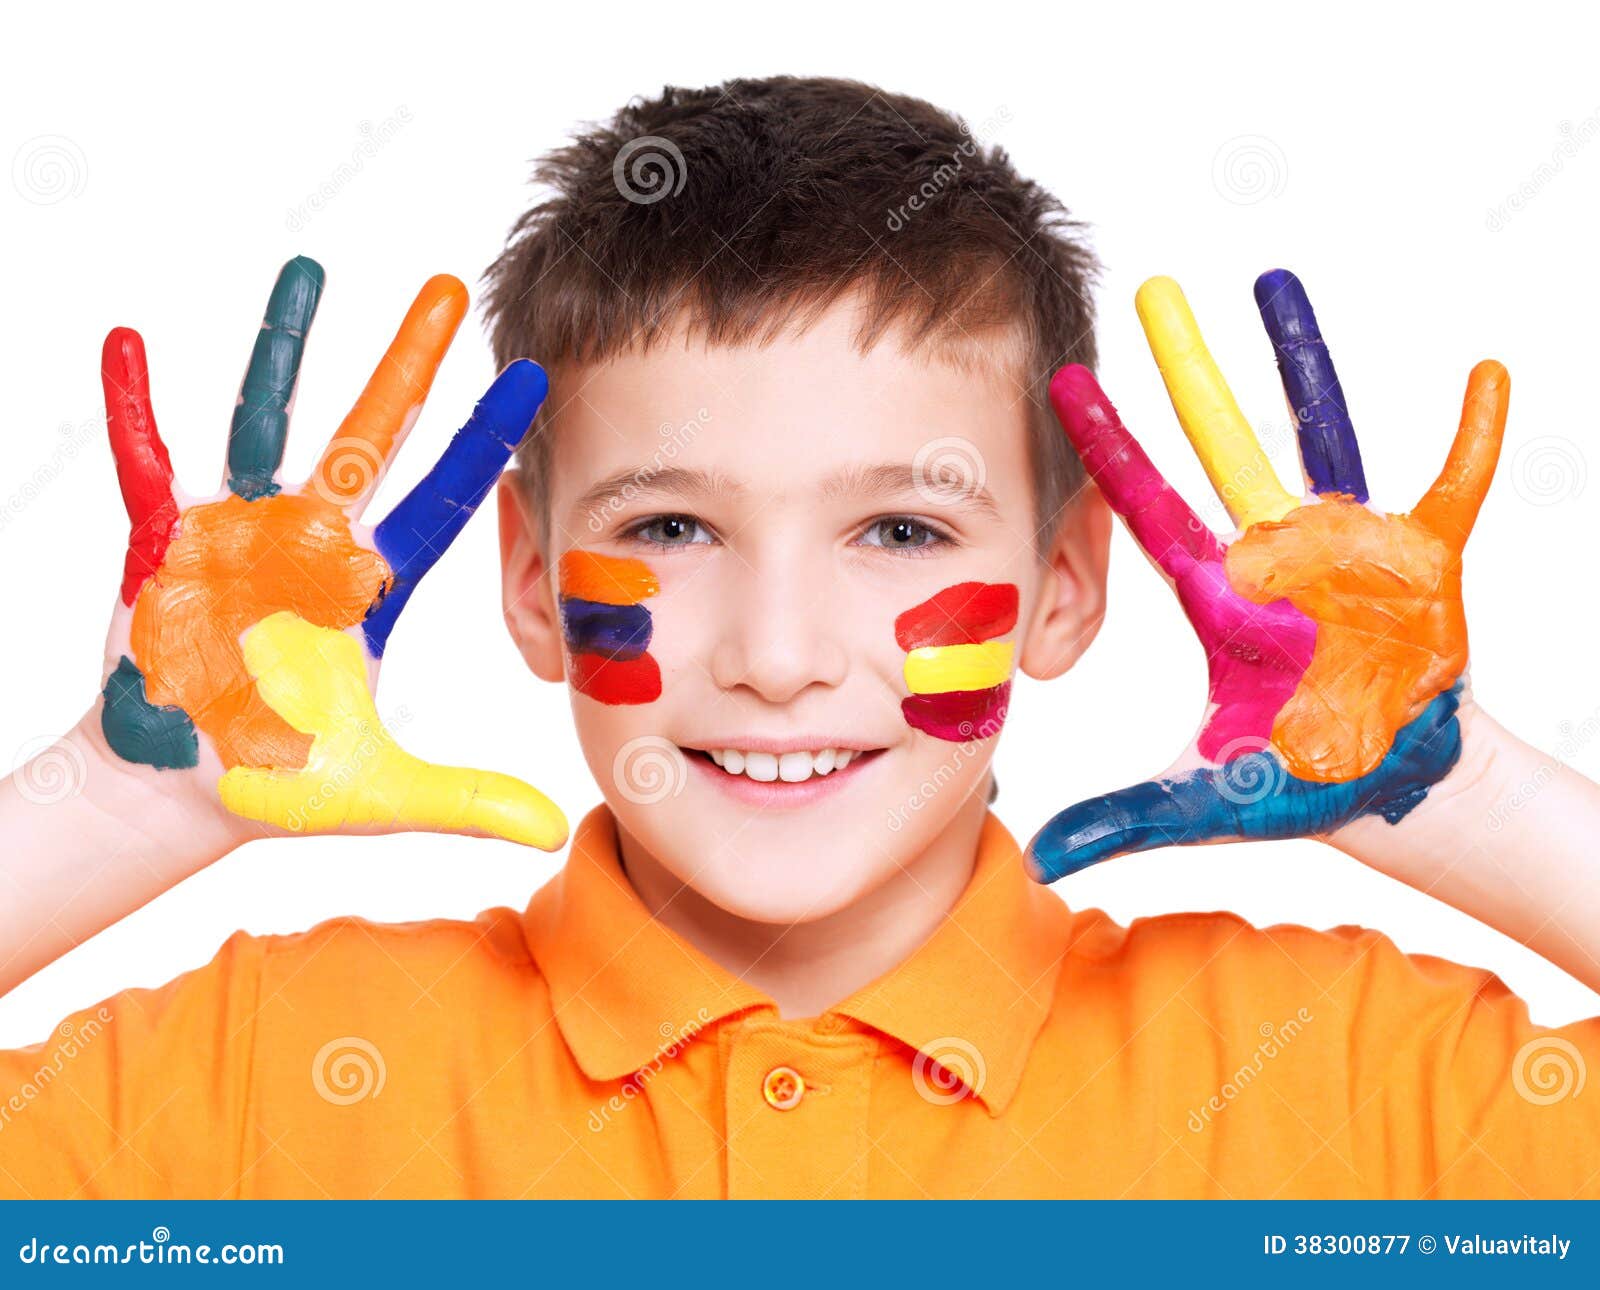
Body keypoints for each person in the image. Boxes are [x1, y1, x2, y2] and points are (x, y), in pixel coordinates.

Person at [2, 76, 1596, 1199]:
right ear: (536, 583)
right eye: (673, 527)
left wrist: (1453, 789)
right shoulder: (268, 1081)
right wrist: (126, 797)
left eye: (900, 530)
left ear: (1065, 586)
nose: (778, 653)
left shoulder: (1335, 1082)